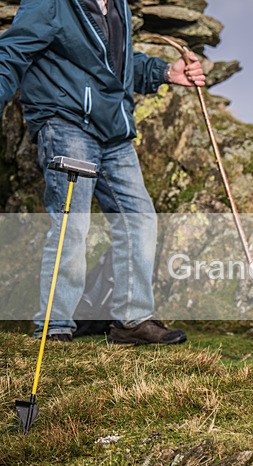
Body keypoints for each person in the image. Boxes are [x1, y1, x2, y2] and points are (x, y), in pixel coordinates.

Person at [0, 0, 206, 344]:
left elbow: (116, 66)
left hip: (114, 132)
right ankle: (55, 327)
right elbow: (10, 54)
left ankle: (132, 321)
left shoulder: (117, 6)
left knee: (139, 218)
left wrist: (165, 73)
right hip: (65, 124)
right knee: (72, 223)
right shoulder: (50, 3)